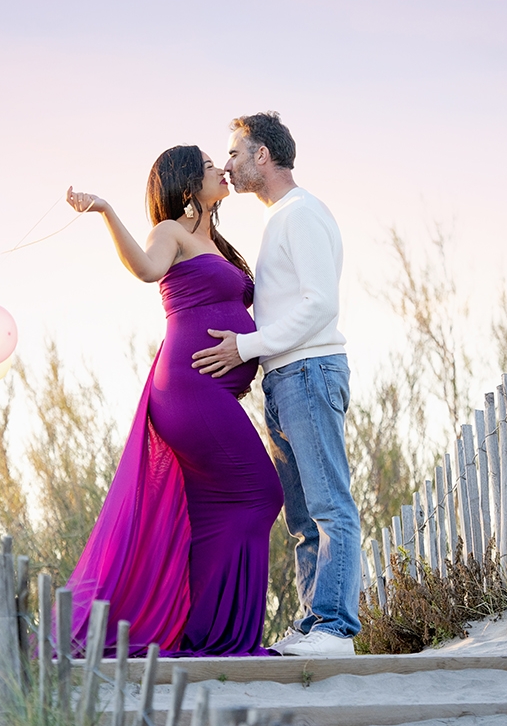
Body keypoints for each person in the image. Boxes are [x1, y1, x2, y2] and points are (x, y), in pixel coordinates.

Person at [63, 144, 284, 657]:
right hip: (189, 389)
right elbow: (143, 268)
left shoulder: (216, 241)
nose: (221, 170)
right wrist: (105, 211)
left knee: (212, 515)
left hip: (208, 391)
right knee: (260, 494)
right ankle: (220, 636)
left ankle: (198, 632)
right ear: (188, 185)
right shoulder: (171, 233)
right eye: (210, 167)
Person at [191, 112, 362, 658]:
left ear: (262, 154)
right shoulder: (280, 219)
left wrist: (245, 346)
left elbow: (319, 304)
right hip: (286, 378)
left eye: (236, 155)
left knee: (329, 505)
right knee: (303, 517)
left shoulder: (301, 214)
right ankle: (316, 623)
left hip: (309, 371)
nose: (229, 166)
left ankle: (335, 628)